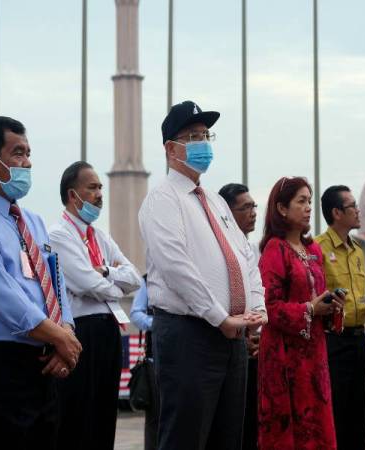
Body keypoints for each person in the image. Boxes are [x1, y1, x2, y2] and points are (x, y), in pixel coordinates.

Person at [139, 100, 267, 450]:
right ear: (170, 147)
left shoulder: (215, 200)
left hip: (232, 337)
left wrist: (257, 308)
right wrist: (218, 316)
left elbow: (245, 257)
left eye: (206, 135)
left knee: (228, 437)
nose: (203, 143)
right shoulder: (162, 200)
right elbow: (177, 268)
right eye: (193, 136)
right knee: (186, 436)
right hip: (189, 335)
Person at [0, 116, 81, 450]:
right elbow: (2, 297)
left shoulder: (34, 223)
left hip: (42, 367)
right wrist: (59, 338)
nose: (28, 162)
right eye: (19, 153)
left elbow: (55, 281)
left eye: (28, 153)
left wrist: (64, 330)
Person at [49, 161, 141, 450]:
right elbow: (84, 282)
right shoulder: (59, 234)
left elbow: (134, 277)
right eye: (92, 187)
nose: (100, 193)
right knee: (78, 416)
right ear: (72, 194)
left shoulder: (100, 236)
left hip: (108, 331)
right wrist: (110, 282)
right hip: (81, 332)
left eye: (100, 186)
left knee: (103, 414)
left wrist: (105, 271)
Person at [258, 176, 344, 450]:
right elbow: (269, 307)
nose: (308, 207)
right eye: (301, 201)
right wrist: (310, 308)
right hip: (285, 357)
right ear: (282, 209)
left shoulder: (313, 250)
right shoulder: (275, 249)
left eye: (309, 201)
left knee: (317, 425)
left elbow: (319, 294)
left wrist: (331, 307)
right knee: (289, 431)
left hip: (314, 354)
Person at [315, 185, 365, 450]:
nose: (358, 210)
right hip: (333, 342)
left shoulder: (357, 251)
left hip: (358, 340)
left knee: (358, 415)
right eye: (352, 205)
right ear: (336, 213)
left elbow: (356, 301)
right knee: (336, 413)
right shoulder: (317, 248)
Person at [219, 182, 260, 450]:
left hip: (253, 349)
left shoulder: (252, 250)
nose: (253, 212)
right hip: (228, 344)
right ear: (227, 213)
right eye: (245, 207)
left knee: (251, 425)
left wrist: (256, 333)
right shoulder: (219, 251)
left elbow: (258, 294)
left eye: (254, 206)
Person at [129, 277, 158, 450]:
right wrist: (158, 324)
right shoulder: (148, 280)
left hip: (188, 360)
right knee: (155, 419)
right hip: (155, 361)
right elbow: (136, 313)